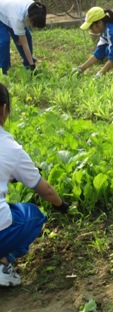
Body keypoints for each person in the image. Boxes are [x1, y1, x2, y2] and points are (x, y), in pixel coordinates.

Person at [0, 82, 69, 287]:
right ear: (3, 109)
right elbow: (44, 189)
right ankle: (3, 262)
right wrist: (62, 206)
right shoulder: (9, 148)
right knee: (33, 216)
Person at [0, 0, 47, 74]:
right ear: (29, 18)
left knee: (27, 37)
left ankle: (28, 64)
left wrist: (19, 35)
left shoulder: (36, 9)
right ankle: (4, 70)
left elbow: (24, 40)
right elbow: (24, 44)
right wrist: (32, 66)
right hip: (1, 15)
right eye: (33, 25)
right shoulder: (17, 18)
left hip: (10, 12)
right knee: (4, 41)